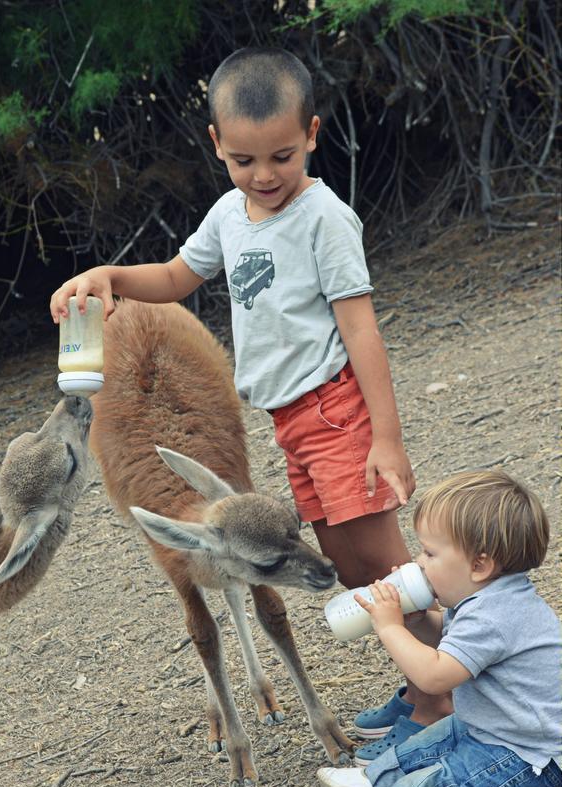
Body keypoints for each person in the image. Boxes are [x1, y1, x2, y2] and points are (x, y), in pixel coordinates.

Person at [50, 48, 449, 730]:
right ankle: (428, 686)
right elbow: (177, 278)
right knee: (349, 568)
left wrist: (384, 438)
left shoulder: (323, 219)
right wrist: (109, 277)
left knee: (383, 566)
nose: (263, 175)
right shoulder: (230, 216)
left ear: (313, 135)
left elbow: (360, 332)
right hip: (290, 421)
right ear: (217, 147)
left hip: (333, 412)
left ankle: (448, 696)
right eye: (244, 161)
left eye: (282, 156)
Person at [276, 470, 562, 787]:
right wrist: (413, 622)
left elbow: (435, 675)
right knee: (437, 738)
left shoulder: (494, 615)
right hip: (496, 726)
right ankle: (372, 783)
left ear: (479, 565)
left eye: (429, 553)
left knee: (443, 784)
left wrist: (390, 627)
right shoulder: (488, 599)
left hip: (529, 755)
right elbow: (450, 644)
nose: (418, 563)